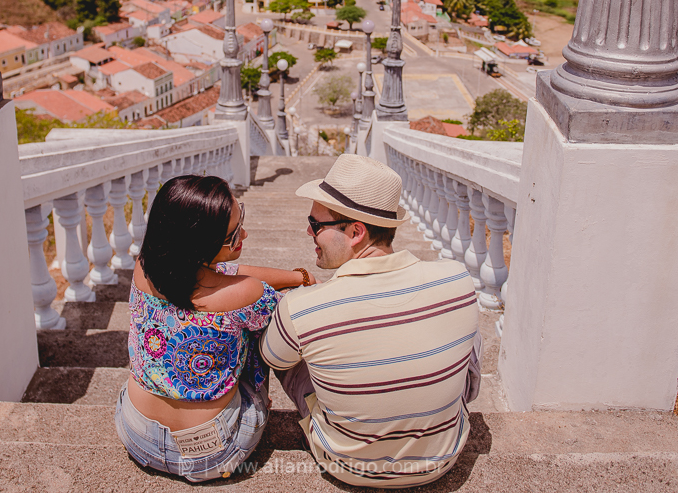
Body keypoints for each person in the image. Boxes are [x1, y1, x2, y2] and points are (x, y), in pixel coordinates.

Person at [261, 155, 481, 488]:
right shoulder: (457, 279)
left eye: (316, 224)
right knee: (463, 331)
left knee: (284, 343)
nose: (308, 231)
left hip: (350, 467)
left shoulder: (303, 306)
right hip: (443, 459)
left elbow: (273, 358)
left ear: (355, 232)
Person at [115, 175, 314, 483]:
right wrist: (300, 285)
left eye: (241, 218)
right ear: (202, 246)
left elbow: (223, 274)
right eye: (233, 236)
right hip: (212, 452)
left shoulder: (146, 266)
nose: (244, 234)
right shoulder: (249, 296)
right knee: (261, 326)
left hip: (136, 431)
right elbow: (247, 291)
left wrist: (294, 275)